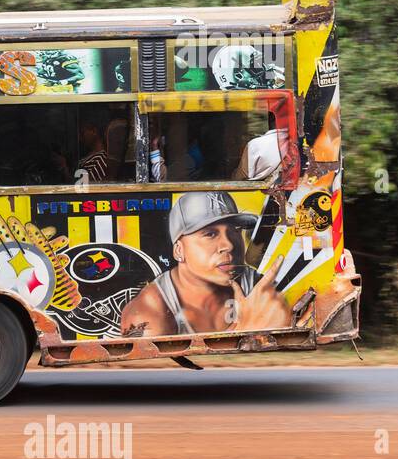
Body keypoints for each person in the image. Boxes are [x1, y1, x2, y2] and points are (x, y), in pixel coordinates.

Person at [119, 191, 291, 336]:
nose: (229, 245)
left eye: (234, 230)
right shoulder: (149, 310)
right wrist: (247, 331)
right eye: (210, 234)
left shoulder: (258, 286)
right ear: (179, 250)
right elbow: (153, 373)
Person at [233, 113, 287, 181]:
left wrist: (234, 174)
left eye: (261, 118)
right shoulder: (294, 140)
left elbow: (242, 177)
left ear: (271, 120)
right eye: (246, 121)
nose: (255, 124)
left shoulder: (255, 145)